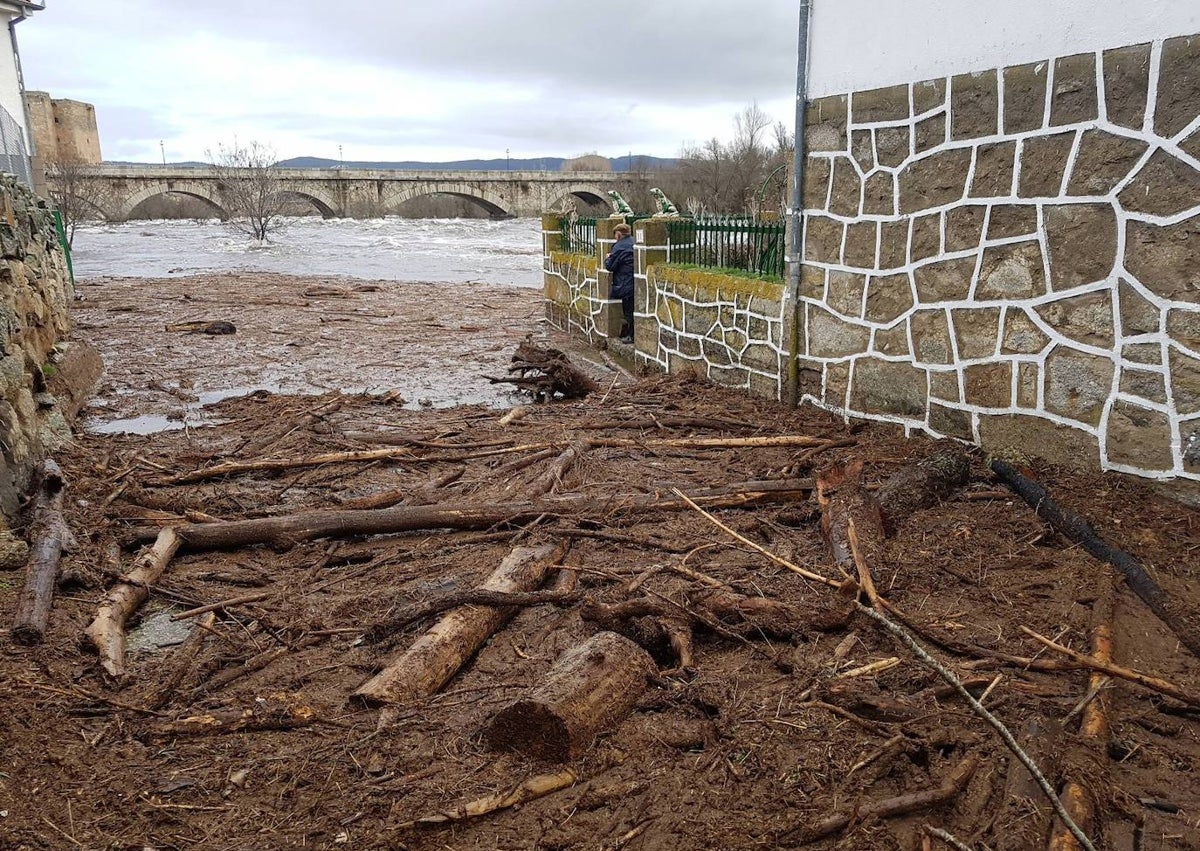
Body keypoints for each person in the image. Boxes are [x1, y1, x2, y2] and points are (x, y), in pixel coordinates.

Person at [604, 223, 635, 343]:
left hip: (625, 282)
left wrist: (608, 258)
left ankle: (631, 336)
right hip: (635, 280)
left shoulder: (619, 247)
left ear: (618, 234)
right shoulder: (633, 242)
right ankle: (630, 333)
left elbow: (610, 266)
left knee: (628, 311)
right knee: (633, 309)